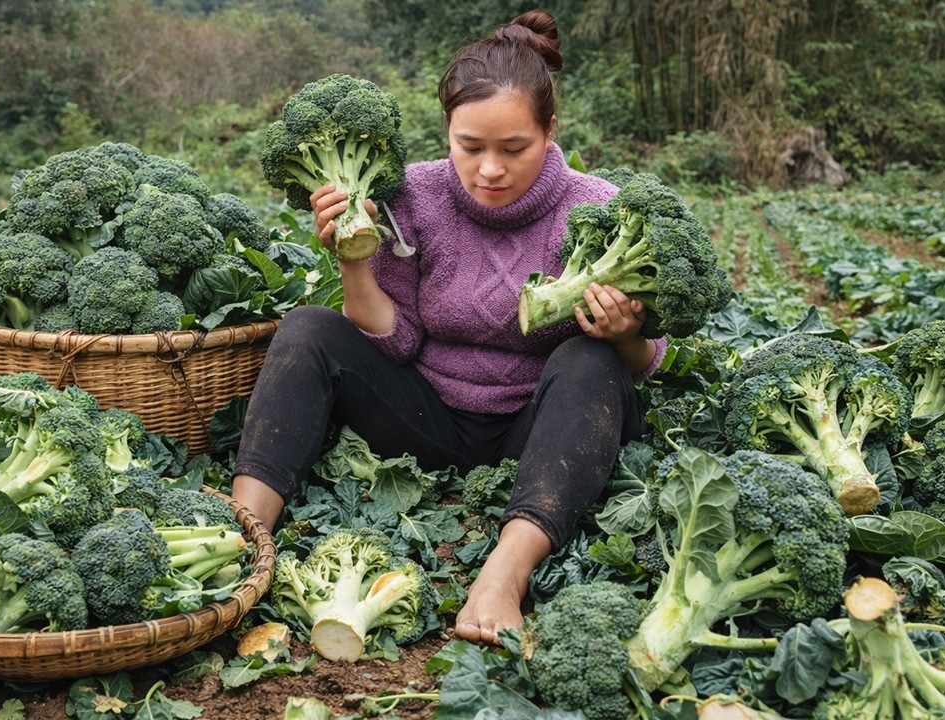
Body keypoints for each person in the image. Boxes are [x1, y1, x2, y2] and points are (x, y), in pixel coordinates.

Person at [231, 9, 667, 645]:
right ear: (447, 131)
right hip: (426, 421)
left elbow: (644, 362)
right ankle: (244, 536)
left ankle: (505, 572)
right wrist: (353, 259)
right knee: (307, 329)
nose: (490, 169)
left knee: (591, 361)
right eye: (470, 146)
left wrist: (623, 333)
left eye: (513, 148)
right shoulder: (413, 196)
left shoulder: (596, 207)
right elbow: (397, 339)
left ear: (550, 129)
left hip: (540, 433)